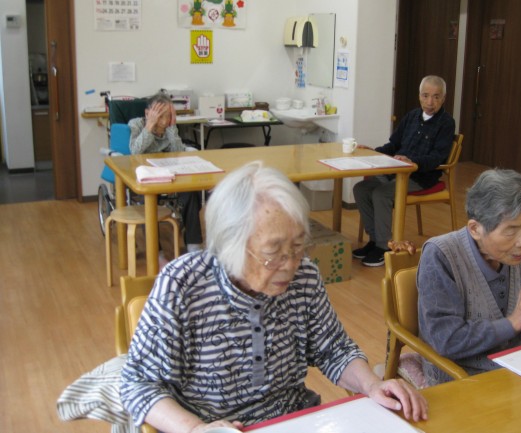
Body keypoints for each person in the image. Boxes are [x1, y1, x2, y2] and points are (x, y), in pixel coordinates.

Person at [120, 161, 428, 432]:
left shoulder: (304, 276)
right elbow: (138, 383)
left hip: (293, 420)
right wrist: (195, 429)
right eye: (273, 252)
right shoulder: (182, 285)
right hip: (210, 424)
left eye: (297, 246)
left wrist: (372, 385)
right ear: (231, 244)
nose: (290, 264)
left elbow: (334, 349)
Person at [417, 169, 521, 386]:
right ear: (475, 229)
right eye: (511, 231)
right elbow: (446, 340)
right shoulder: (441, 255)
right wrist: (513, 323)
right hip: (462, 374)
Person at [352, 75, 456, 267]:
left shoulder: (446, 123)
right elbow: (393, 145)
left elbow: (437, 157)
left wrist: (413, 161)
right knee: (361, 188)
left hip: (421, 177)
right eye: (425, 96)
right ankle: (375, 240)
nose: (430, 102)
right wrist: (373, 152)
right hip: (396, 173)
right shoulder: (411, 116)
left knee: (381, 194)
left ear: (444, 98)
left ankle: (384, 247)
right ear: (419, 96)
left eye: (436, 97)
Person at [129, 92, 203, 252]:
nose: (164, 121)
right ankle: (157, 251)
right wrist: (150, 126)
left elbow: (178, 151)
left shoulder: (169, 127)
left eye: (168, 115)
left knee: (191, 191)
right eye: (160, 116)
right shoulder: (136, 125)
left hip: (170, 173)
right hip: (146, 176)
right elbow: (135, 152)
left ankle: (194, 245)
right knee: (148, 199)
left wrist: (171, 127)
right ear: (148, 113)